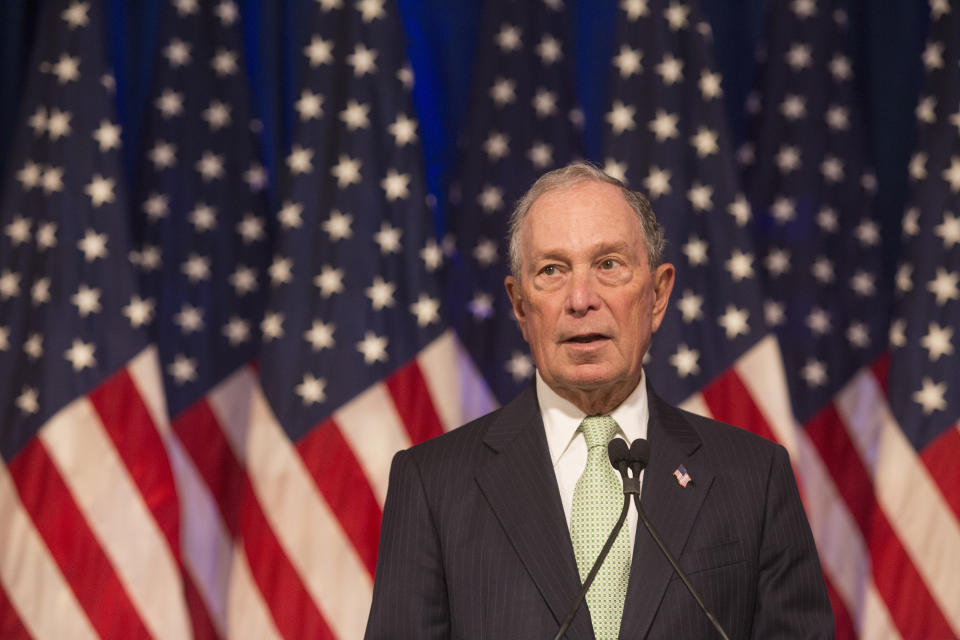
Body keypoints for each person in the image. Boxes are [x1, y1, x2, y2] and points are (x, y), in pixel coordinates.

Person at [365, 162, 833, 639]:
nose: (581, 298)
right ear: (520, 305)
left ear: (657, 294)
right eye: (552, 270)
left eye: (608, 264)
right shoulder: (432, 485)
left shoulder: (755, 477)